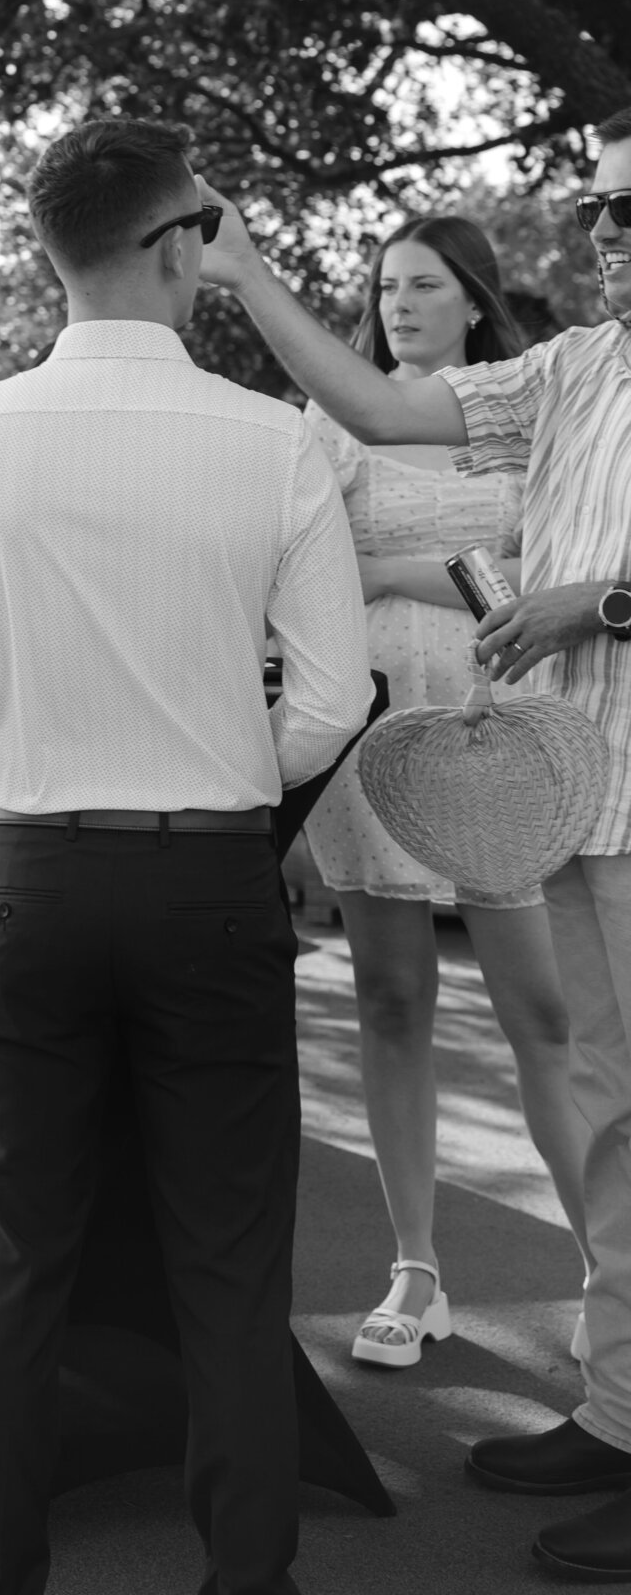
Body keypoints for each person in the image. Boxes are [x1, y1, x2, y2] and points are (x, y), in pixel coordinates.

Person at [0, 117, 374, 1595]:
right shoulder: (272, 440)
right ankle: (245, 1581)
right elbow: (332, 703)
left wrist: (16, 785)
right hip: (211, 879)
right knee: (229, 1261)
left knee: (10, 1266)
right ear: (175, 247)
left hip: (25, 878)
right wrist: (223, 779)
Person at [193, 104, 631, 1583]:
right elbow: (376, 420)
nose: (609, 237)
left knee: (600, 1079)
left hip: (604, 782)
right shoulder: (575, 368)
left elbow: (571, 587)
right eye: (606, 212)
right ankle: (621, 1413)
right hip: (557, 785)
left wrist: (603, 601)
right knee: (609, 1095)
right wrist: (249, 275)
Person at [302, 216, 591, 1368]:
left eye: (425, 284)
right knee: (390, 997)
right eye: (385, 285)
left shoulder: (529, 411)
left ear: (474, 298)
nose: (401, 303)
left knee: (543, 1011)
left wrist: (378, 567)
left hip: (503, 724)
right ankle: (415, 1269)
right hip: (376, 727)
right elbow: (298, 565)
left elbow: (545, 576)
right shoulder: (335, 420)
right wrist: (442, 577)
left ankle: (601, 1270)